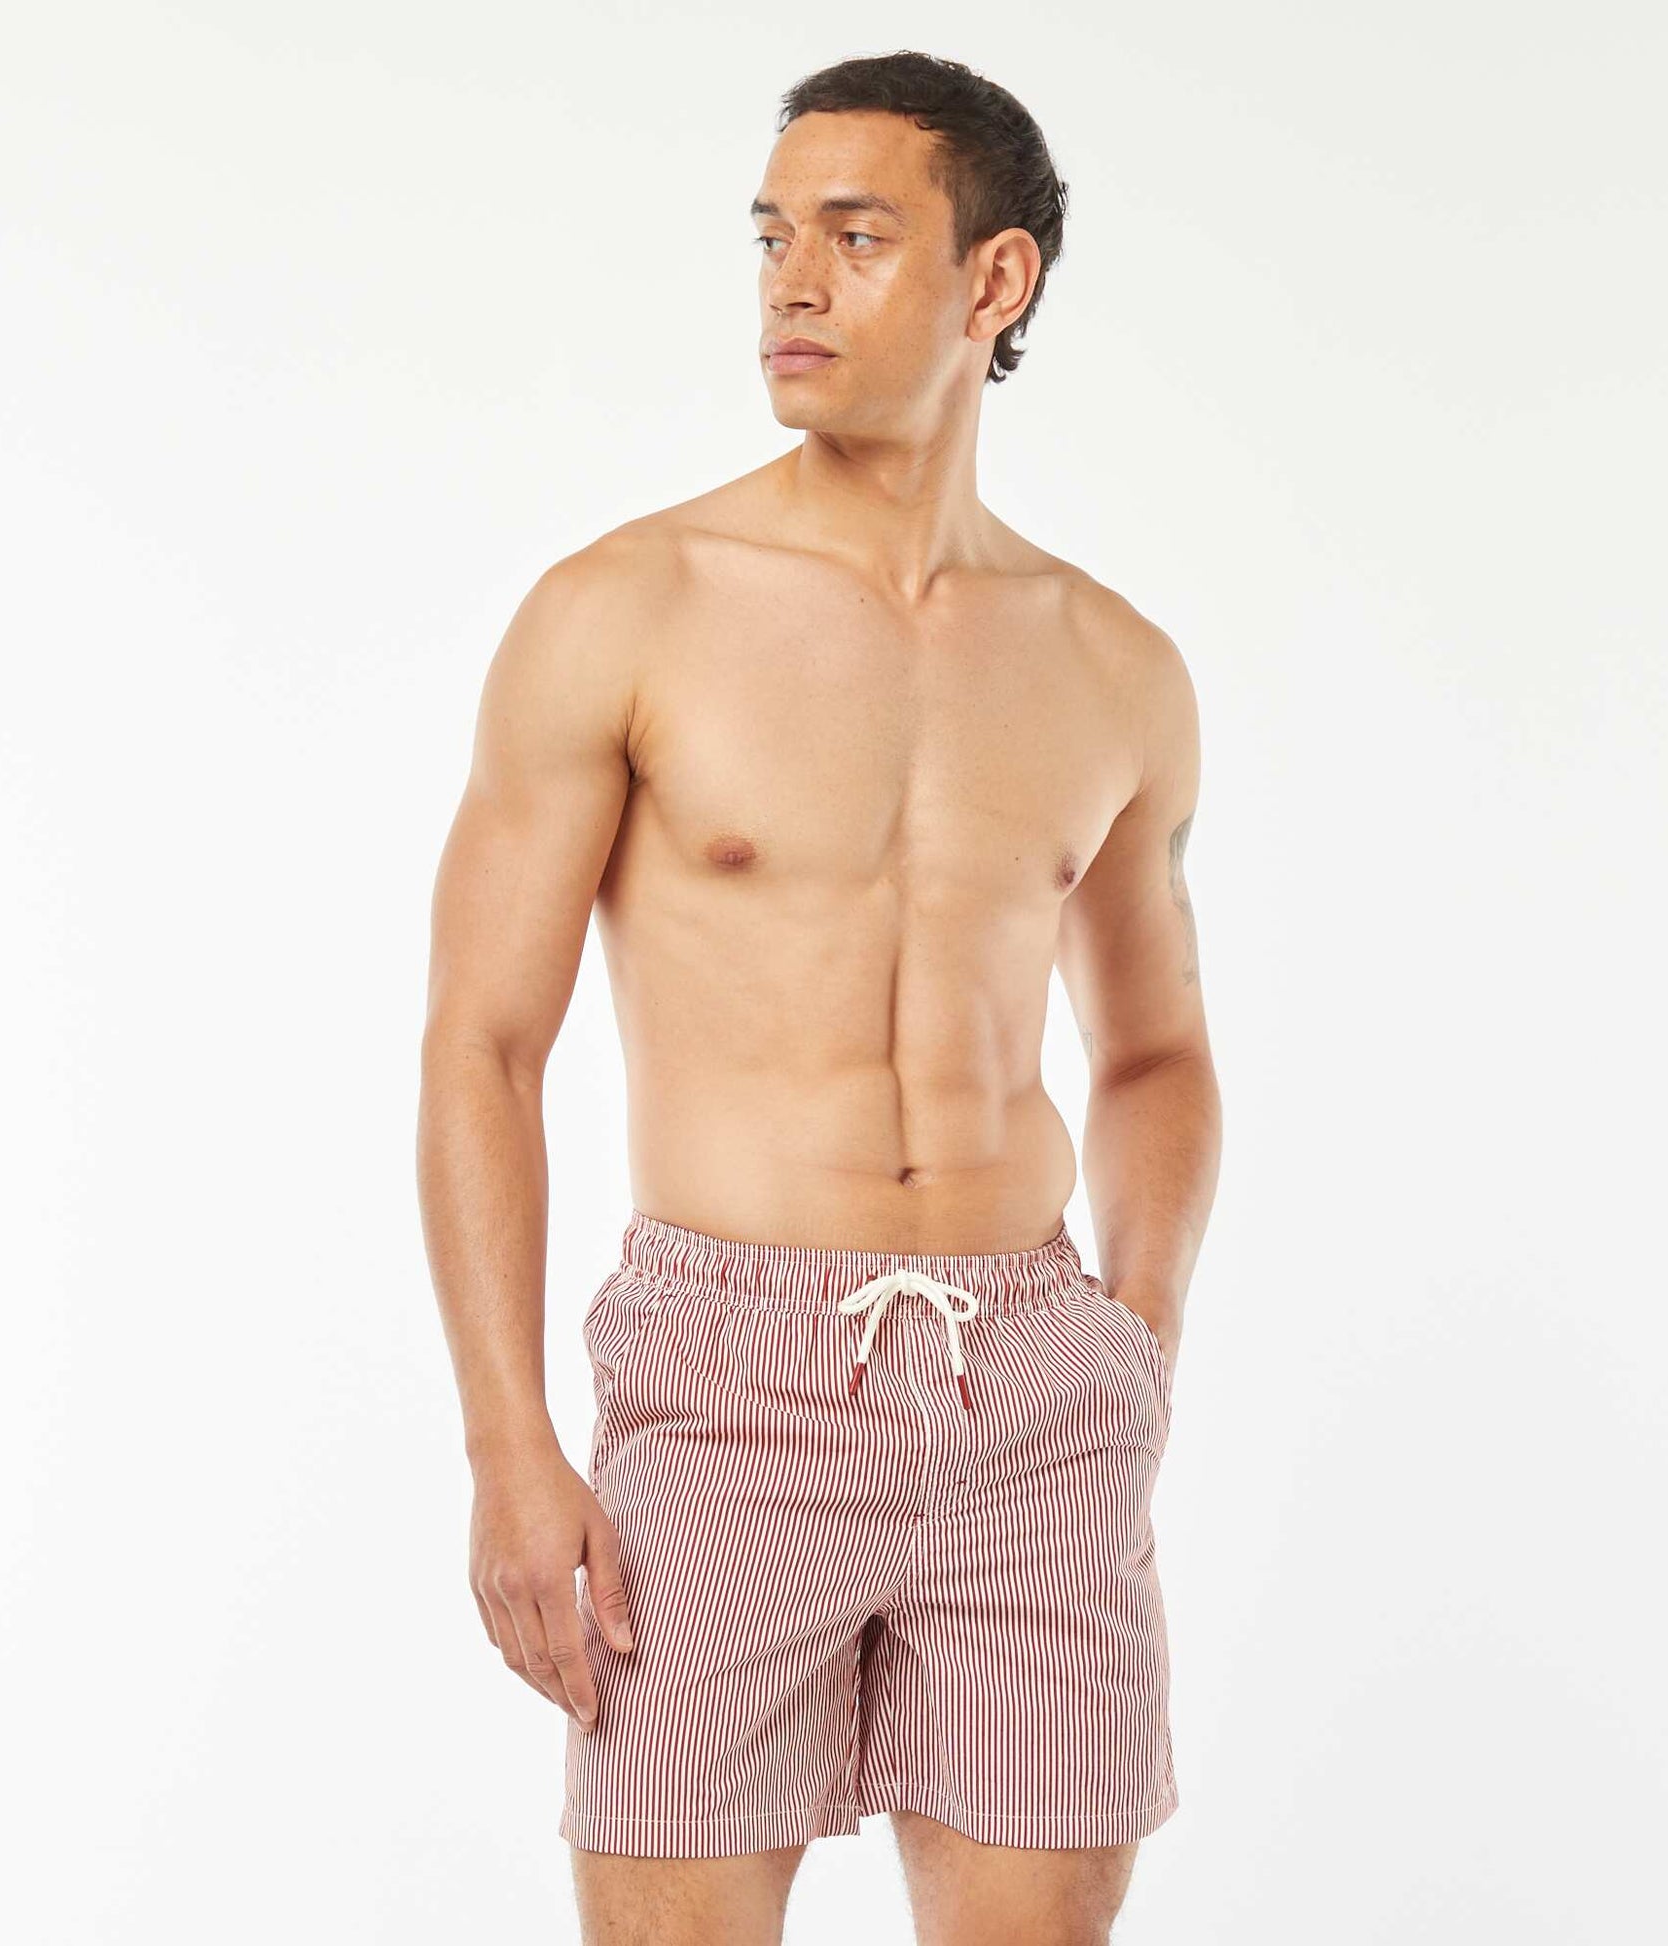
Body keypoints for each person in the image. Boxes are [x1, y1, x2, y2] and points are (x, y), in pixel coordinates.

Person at [417, 48, 1222, 1945]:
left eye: (855, 239)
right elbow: (483, 1044)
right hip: (724, 1386)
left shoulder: (1111, 662)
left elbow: (1156, 1050)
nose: (790, 280)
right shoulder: (626, 609)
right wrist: (507, 1443)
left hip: (1035, 1387)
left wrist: (1136, 1339)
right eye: (773, 235)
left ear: (994, 279)